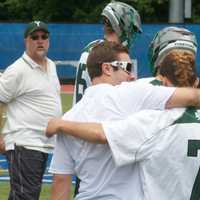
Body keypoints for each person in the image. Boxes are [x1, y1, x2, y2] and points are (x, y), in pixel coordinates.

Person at [46, 38, 200, 200]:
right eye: (127, 68)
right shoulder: (133, 93)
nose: (132, 76)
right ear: (107, 69)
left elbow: (61, 181)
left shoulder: (69, 117)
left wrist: (62, 125)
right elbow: (192, 96)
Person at [72, 1, 141, 193]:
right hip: (101, 134)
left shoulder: (92, 50)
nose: (133, 34)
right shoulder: (109, 55)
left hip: (85, 131)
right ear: (121, 24)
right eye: (132, 28)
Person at [0, 21, 62, 200]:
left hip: (43, 143)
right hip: (24, 143)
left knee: (23, 195)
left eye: (44, 37)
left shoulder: (51, 65)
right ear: (26, 41)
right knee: (25, 196)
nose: (40, 41)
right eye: (34, 37)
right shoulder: (17, 70)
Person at [73, 1, 142, 104]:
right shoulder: (106, 56)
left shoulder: (95, 49)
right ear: (121, 27)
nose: (131, 36)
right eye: (131, 30)